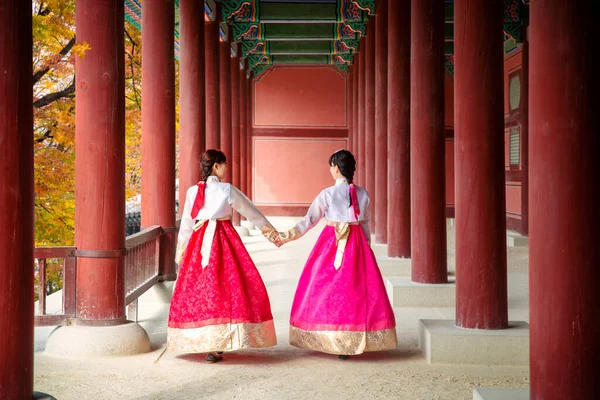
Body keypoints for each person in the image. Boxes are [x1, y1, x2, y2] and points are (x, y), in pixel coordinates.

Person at [276, 149, 397, 359]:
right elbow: (365, 223)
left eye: (332, 166)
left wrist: (287, 236)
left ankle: (331, 336)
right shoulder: (363, 193)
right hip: (357, 243)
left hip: (332, 243)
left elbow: (309, 220)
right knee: (355, 290)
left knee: (325, 288)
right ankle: (352, 338)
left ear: (337, 168)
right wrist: (366, 247)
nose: (330, 169)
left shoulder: (327, 194)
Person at [168, 149, 280, 363]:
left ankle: (207, 341)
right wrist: (273, 235)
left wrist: (181, 252)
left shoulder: (193, 191)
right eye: (224, 164)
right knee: (227, 288)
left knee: (202, 290)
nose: (226, 168)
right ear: (217, 166)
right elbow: (251, 212)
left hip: (198, 243)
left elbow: (186, 224)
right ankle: (218, 343)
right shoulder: (226, 189)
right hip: (224, 241)